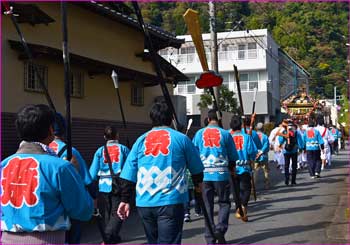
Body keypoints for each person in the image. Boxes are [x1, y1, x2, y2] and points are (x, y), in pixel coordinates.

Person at [1, 104, 93, 244]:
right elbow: (83, 211)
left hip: (7, 239)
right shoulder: (60, 167)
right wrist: (75, 174)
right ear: (51, 130)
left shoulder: (4, 165)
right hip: (49, 239)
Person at [117, 101, 204, 244]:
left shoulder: (141, 140)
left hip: (144, 202)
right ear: (171, 119)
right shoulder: (181, 139)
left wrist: (125, 200)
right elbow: (196, 168)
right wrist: (198, 184)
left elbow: (129, 173)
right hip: (171, 200)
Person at [192, 109, 238, 244]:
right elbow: (233, 156)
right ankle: (220, 228)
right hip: (221, 174)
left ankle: (210, 238)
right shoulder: (225, 134)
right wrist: (232, 169)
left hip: (204, 175)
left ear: (207, 119)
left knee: (207, 207)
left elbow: (194, 154)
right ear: (219, 118)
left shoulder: (199, 133)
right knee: (224, 203)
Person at [49, 113, 93, 244]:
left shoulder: (39, 152)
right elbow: (87, 179)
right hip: (70, 210)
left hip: (49, 211)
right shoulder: (71, 151)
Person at [89, 126, 130, 244]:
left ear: (104, 137)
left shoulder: (100, 151)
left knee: (109, 211)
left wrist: (91, 186)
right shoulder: (124, 149)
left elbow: (92, 173)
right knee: (117, 212)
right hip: (120, 184)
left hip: (104, 185)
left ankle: (113, 237)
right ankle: (107, 237)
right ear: (117, 135)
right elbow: (130, 168)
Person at [229, 115, 257, 222]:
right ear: (241, 125)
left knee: (235, 190)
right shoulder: (246, 137)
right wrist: (252, 157)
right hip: (244, 167)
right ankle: (243, 206)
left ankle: (239, 208)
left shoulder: (228, 137)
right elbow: (252, 152)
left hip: (232, 168)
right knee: (246, 189)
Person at [277, 121, 304, 185]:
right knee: (294, 166)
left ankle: (286, 180)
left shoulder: (284, 132)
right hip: (294, 150)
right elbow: (300, 142)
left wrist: (281, 145)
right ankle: (293, 181)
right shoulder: (296, 133)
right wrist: (301, 149)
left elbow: (280, 140)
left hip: (286, 151)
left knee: (286, 165)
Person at [254, 122, 270, 189]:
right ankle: (267, 184)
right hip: (264, 156)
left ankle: (253, 186)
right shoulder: (265, 136)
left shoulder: (254, 136)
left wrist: (257, 153)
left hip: (255, 156)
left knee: (255, 171)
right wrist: (262, 151)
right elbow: (266, 146)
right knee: (266, 171)